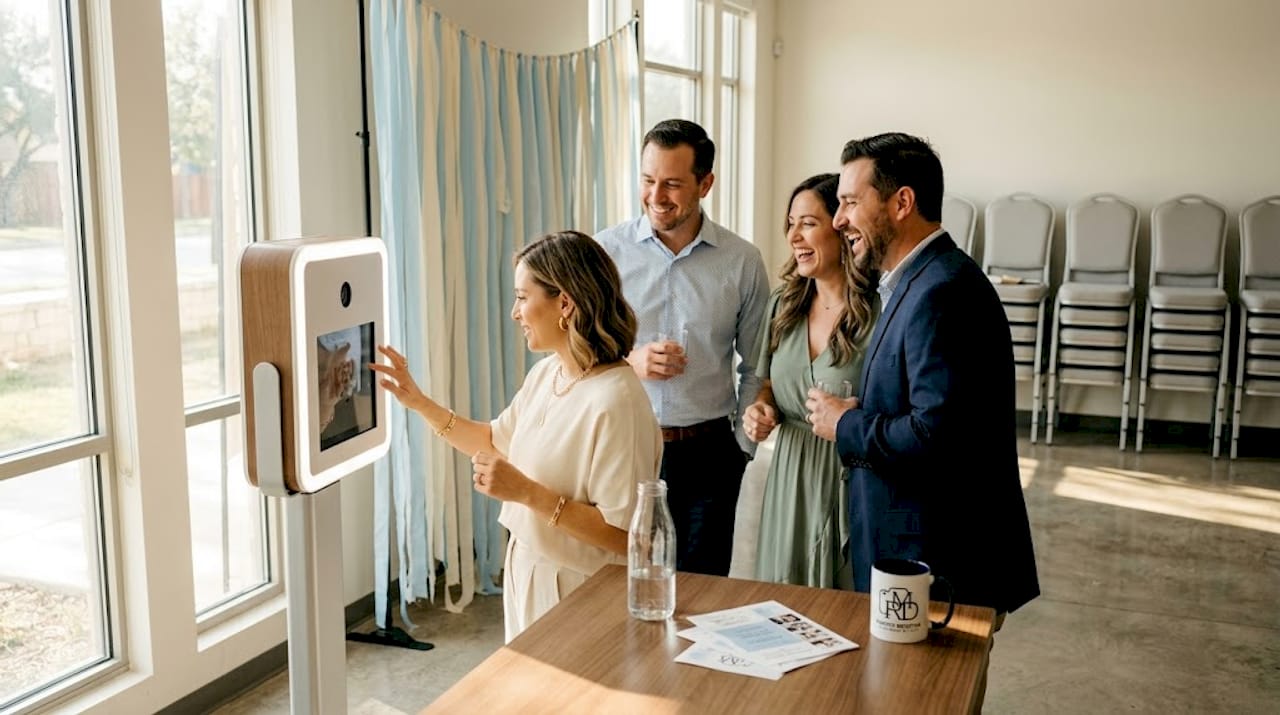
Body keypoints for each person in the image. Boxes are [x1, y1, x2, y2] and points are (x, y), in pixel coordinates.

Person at [372, 231, 662, 642]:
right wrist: (419, 402)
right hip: (527, 570)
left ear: (564, 303)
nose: (515, 312)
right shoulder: (548, 374)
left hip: (581, 594)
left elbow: (626, 538)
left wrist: (527, 493)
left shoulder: (616, 402)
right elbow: (494, 441)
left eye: (523, 297)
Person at [804, 132, 1039, 617]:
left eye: (850, 201)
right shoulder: (917, 281)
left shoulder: (943, 292)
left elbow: (937, 436)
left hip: (938, 563)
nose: (838, 219)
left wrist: (845, 425)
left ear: (902, 203)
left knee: (920, 694)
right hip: (914, 557)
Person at [596, 119, 770, 577]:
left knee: (704, 591)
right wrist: (629, 362)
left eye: (672, 184)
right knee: (621, 583)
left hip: (710, 456)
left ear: (705, 184)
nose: (656, 196)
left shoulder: (742, 261)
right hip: (625, 444)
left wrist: (742, 449)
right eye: (648, 181)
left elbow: (756, 365)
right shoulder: (604, 253)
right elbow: (577, 356)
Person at [743, 173, 878, 588]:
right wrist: (761, 408)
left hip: (851, 474)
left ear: (840, 228)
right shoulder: (782, 304)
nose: (794, 236)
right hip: (789, 475)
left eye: (808, 223)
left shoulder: (878, 312)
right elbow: (765, 380)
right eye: (791, 223)